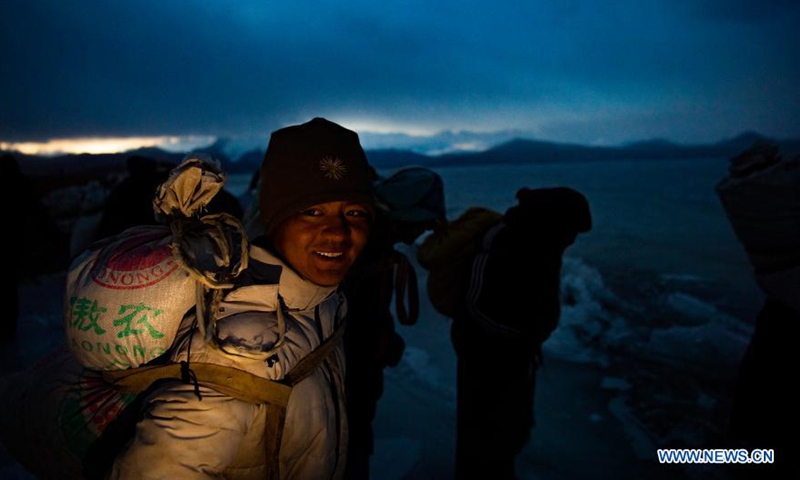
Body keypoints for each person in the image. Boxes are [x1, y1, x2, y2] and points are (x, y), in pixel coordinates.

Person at [104, 117, 375, 479]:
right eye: (312, 212)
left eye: (354, 213)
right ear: (274, 219)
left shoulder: (320, 301)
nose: (338, 233)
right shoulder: (242, 345)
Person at [418, 187, 591, 479]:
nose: (572, 239)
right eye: (571, 230)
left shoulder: (543, 245)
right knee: (483, 435)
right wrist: (520, 336)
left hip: (510, 358)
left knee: (504, 432)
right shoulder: (506, 242)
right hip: (485, 359)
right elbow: (474, 303)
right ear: (555, 223)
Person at [341, 166, 446, 480]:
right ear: (406, 214)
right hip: (349, 378)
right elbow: (353, 317)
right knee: (350, 445)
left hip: (354, 374)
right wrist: (380, 343)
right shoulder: (366, 245)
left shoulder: (372, 240)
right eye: (424, 221)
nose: (425, 230)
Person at [718, 143, 800, 478]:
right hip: (787, 311)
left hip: (781, 309)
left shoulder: (740, 196)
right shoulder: (775, 195)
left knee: (754, 416)